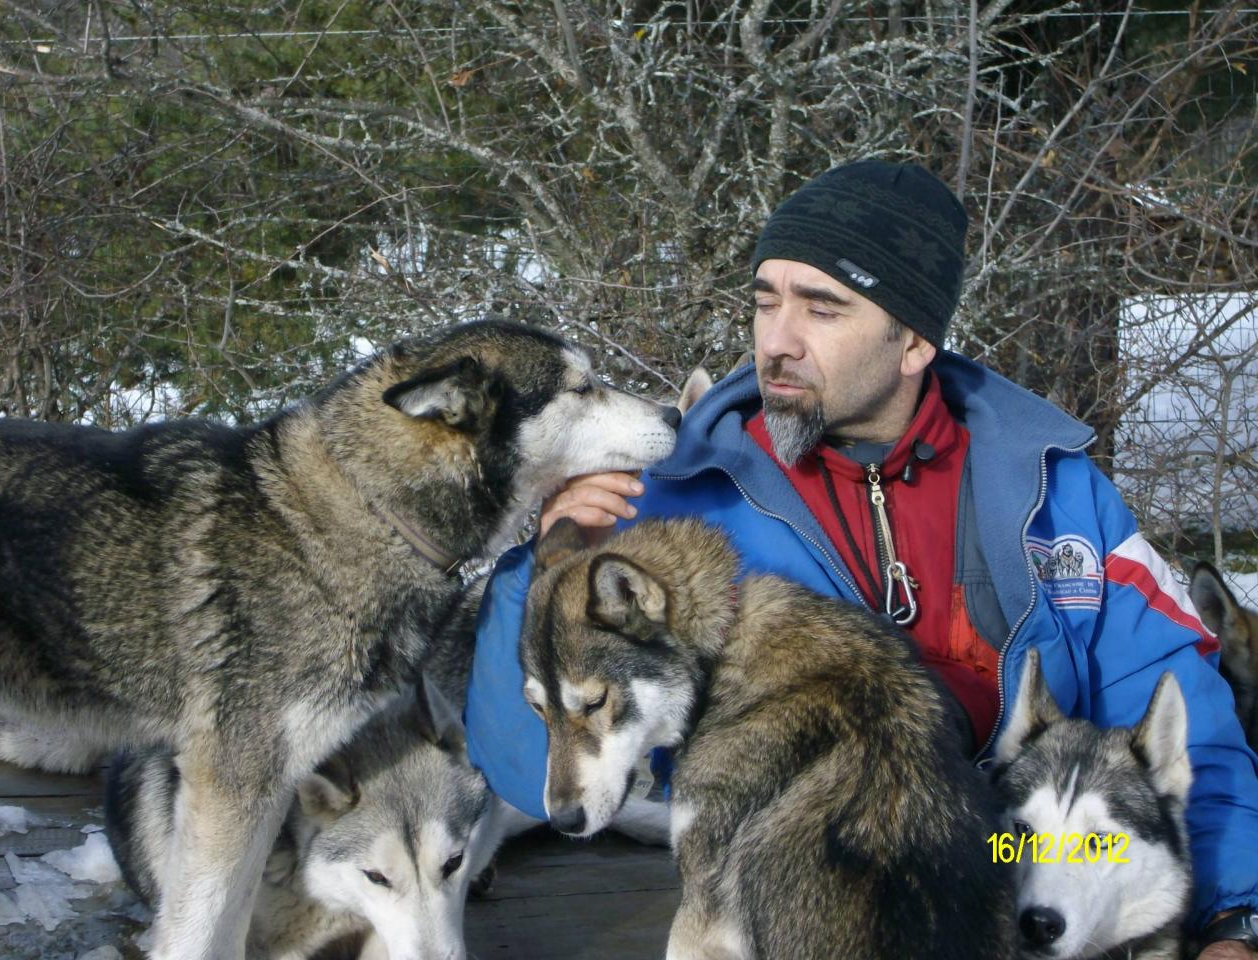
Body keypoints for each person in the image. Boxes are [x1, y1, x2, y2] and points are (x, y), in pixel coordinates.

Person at [463, 160, 1258, 955]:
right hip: (792, 906)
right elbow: (523, 759)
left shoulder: (1055, 491)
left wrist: (1233, 917)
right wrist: (541, 574)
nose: (776, 341)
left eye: (822, 309)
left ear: (912, 341)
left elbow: (1180, 721)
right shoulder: (670, 501)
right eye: (766, 300)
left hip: (1029, 871)